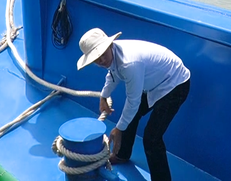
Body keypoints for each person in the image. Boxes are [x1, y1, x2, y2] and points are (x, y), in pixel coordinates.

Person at [77, 28, 191, 181]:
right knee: (131, 116)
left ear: (109, 45)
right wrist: (104, 96)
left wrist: (119, 129)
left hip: (175, 83)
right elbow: (113, 74)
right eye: (96, 59)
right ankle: (123, 155)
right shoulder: (113, 55)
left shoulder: (129, 63)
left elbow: (133, 102)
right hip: (154, 83)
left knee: (152, 138)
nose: (102, 60)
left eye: (103, 54)